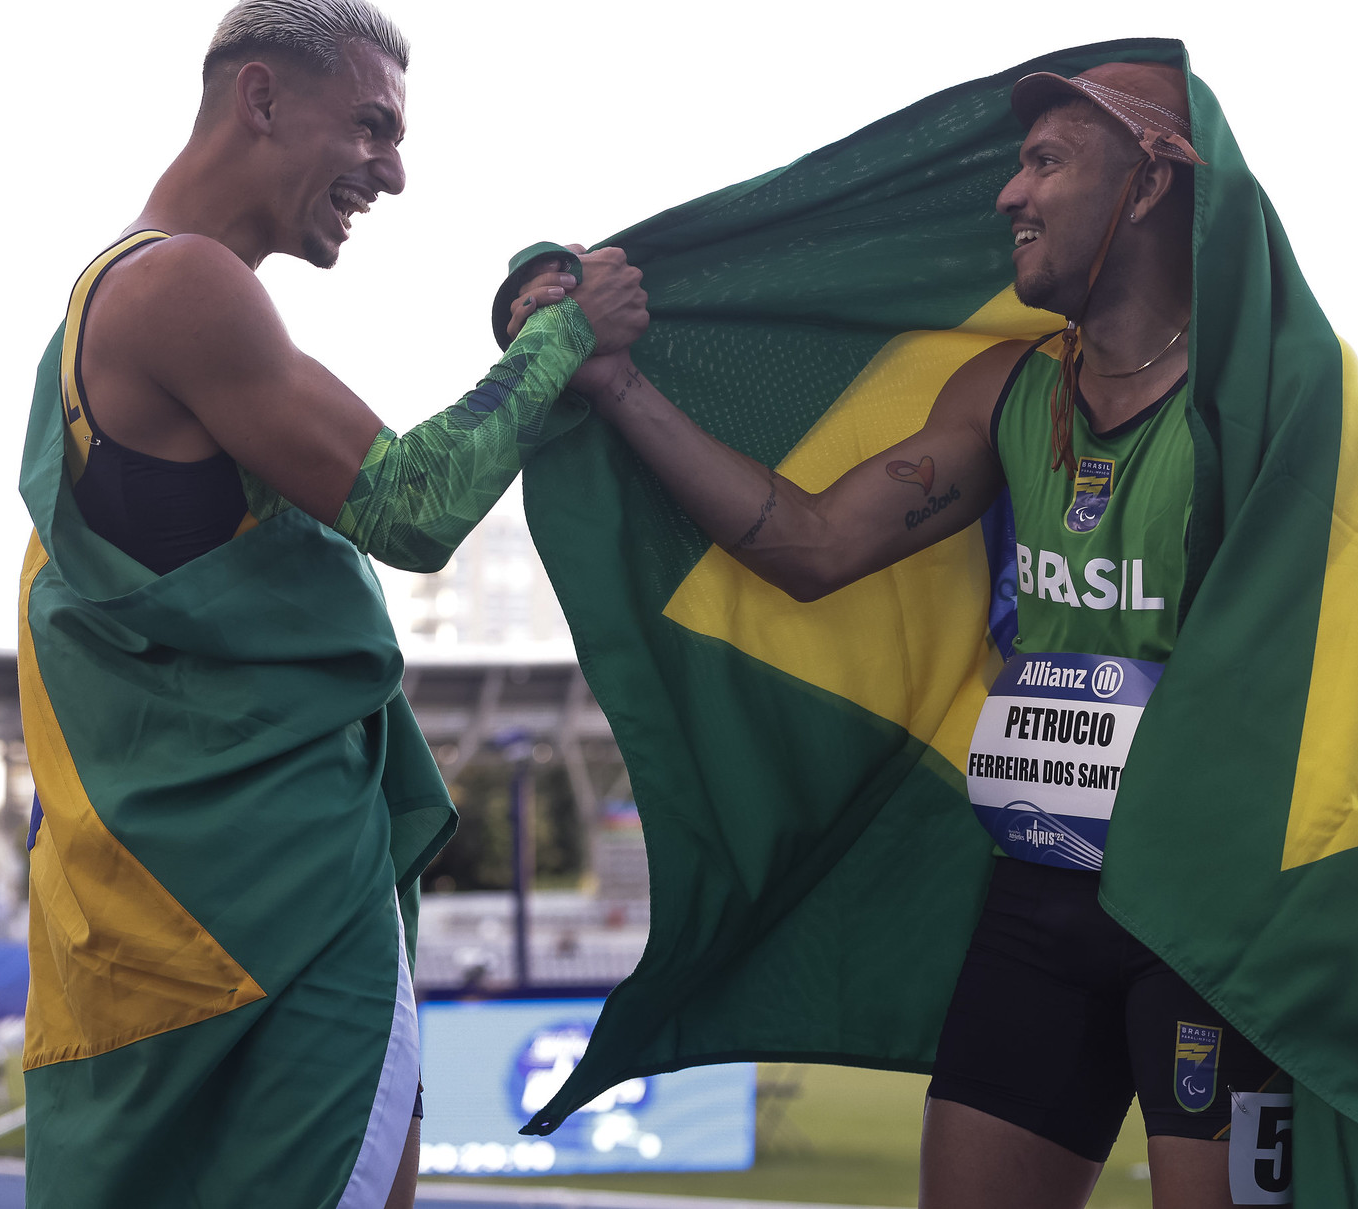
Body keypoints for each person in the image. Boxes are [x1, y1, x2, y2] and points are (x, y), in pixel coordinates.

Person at [513, 62, 1280, 1208]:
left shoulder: (1268, 394)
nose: (1008, 196)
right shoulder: (1007, 390)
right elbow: (812, 545)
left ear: (1157, 176)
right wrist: (618, 385)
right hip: (1041, 898)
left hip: (1213, 910)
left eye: (1046, 161)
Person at [15, 0, 646, 1209]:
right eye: (371, 126)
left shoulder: (113, 305)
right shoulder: (180, 287)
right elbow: (412, 503)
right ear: (260, 97)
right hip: (274, 908)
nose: (393, 172)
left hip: (162, 917)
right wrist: (562, 339)